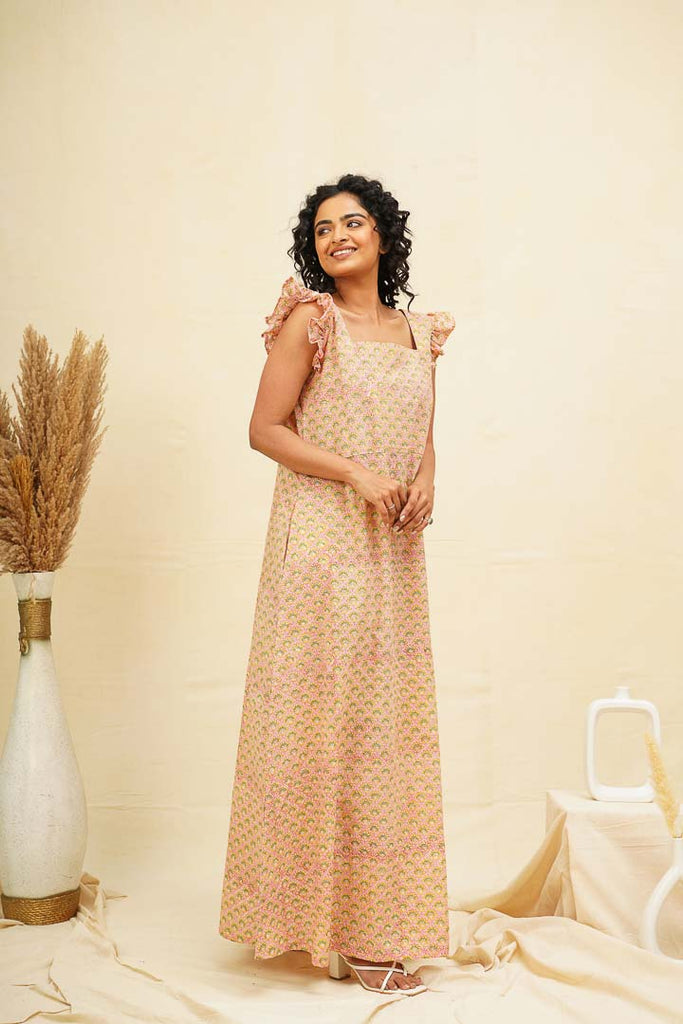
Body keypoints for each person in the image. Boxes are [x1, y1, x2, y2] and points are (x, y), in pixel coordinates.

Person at [219, 173, 456, 996]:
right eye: (322, 229)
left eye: (352, 223)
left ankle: (375, 924)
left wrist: (425, 480)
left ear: (383, 236)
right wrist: (355, 472)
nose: (337, 237)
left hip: (392, 549)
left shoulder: (421, 333)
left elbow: (423, 433)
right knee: (316, 730)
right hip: (319, 546)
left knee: (384, 733)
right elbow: (264, 429)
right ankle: (321, 927)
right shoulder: (309, 321)